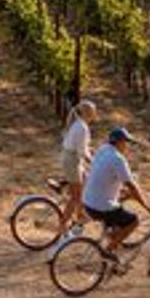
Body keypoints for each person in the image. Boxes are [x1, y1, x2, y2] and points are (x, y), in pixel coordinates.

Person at [82, 127, 150, 264]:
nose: (127, 146)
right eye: (126, 142)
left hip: (88, 201)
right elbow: (132, 186)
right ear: (120, 142)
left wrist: (122, 191)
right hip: (101, 206)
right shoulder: (118, 159)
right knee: (133, 221)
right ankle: (108, 251)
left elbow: (105, 175)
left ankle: (112, 242)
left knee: (117, 222)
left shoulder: (103, 149)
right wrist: (147, 206)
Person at [59, 100, 97, 233]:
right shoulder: (82, 127)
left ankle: (79, 217)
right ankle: (63, 225)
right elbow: (82, 152)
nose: (95, 114)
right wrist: (94, 162)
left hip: (71, 159)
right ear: (88, 113)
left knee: (85, 184)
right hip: (72, 161)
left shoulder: (78, 124)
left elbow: (81, 147)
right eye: (94, 111)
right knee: (76, 196)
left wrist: (91, 152)